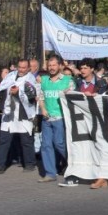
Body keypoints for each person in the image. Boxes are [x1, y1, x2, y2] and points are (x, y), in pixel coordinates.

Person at [0, 59, 39, 174]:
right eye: (19, 67)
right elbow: (1, 88)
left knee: (26, 140)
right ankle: (0, 164)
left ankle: (29, 163)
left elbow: (32, 95)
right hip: (9, 113)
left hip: (23, 113)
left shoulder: (31, 78)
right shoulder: (11, 75)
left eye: (24, 68)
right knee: (4, 139)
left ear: (28, 68)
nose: (21, 70)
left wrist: (18, 92)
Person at [37, 54, 73, 184]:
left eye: (54, 65)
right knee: (46, 145)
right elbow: (41, 97)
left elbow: (72, 96)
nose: (51, 68)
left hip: (61, 118)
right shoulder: (44, 80)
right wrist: (43, 109)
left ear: (60, 66)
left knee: (60, 143)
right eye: (49, 65)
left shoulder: (67, 80)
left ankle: (73, 164)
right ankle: (50, 173)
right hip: (46, 118)